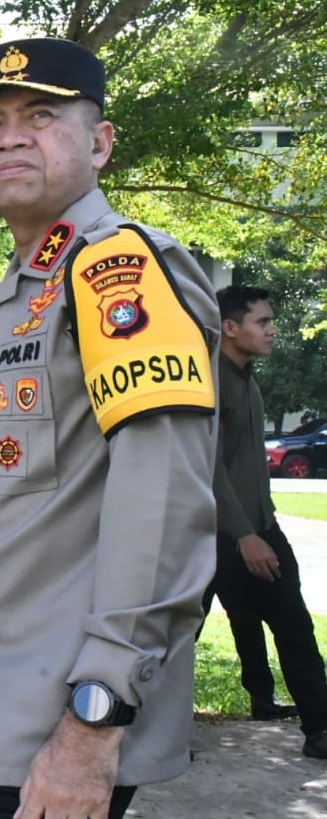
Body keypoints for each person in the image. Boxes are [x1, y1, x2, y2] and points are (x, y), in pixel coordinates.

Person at [0, 37, 221, 818]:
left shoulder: (119, 268)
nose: (10, 136)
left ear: (101, 142)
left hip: (50, 732)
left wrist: (97, 718)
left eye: (41, 115)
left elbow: (163, 505)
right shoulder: (23, 290)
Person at [209, 285, 327, 760]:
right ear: (230, 327)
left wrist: (264, 527)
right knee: (172, 640)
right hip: (215, 536)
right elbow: (208, 466)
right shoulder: (210, 381)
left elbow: (248, 470)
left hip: (259, 527)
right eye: (263, 321)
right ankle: (142, 736)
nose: (273, 330)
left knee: (294, 626)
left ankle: (319, 728)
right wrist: (243, 536)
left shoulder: (248, 378)